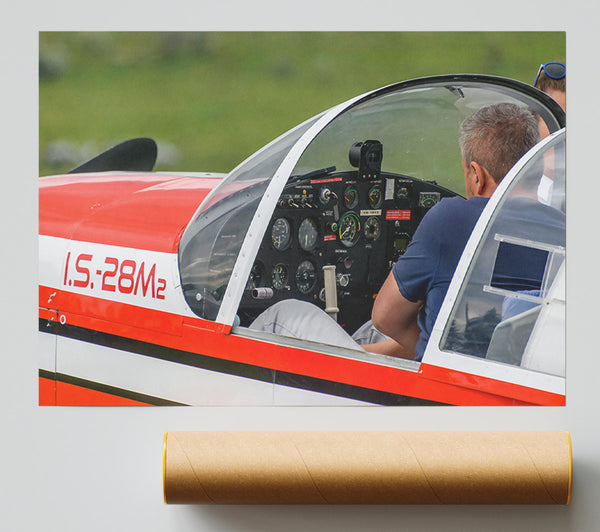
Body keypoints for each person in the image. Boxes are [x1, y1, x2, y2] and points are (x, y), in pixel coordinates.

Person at [250, 103, 541, 361]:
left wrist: (432, 350)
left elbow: (386, 316)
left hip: (440, 384)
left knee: (283, 315)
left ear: (477, 175)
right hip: (500, 366)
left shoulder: (454, 217)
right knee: (369, 333)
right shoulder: (564, 229)